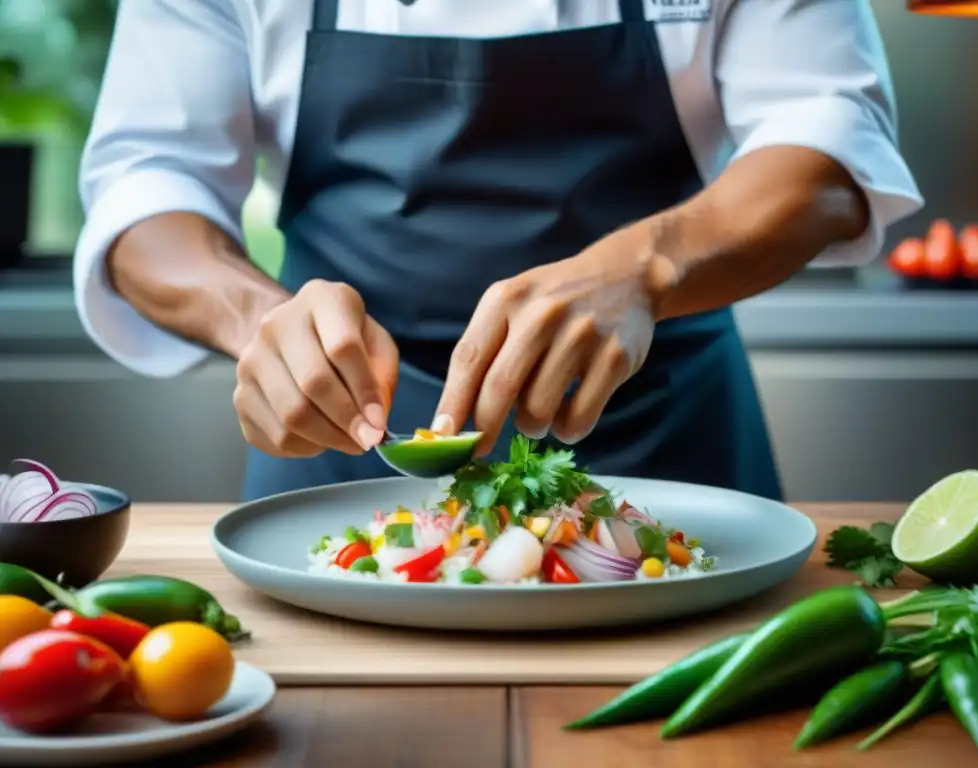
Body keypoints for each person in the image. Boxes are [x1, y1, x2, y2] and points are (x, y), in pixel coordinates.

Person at [74, 0, 922, 503]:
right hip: (343, 459)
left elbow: (830, 148)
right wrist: (261, 321)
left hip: (667, 450)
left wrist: (645, 266)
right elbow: (149, 179)